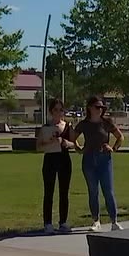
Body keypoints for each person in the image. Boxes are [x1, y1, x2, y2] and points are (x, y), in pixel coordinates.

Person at [73, 96, 124, 232]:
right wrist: (79, 149)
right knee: (93, 191)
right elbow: (73, 137)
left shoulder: (106, 122)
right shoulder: (84, 124)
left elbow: (120, 137)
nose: (99, 110)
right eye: (97, 107)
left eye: (102, 107)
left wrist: (113, 148)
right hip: (89, 159)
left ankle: (114, 221)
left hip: (104, 159)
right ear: (90, 108)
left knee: (108, 190)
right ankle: (96, 220)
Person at [36, 99, 75, 234]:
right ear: (51, 111)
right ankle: (48, 223)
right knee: (48, 192)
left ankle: (63, 222)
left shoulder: (68, 126)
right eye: (55, 110)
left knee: (64, 192)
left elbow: (75, 144)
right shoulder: (46, 127)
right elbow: (38, 146)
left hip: (64, 159)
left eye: (61, 110)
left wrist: (64, 142)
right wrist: (49, 142)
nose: (58, 113)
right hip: (50, 159)